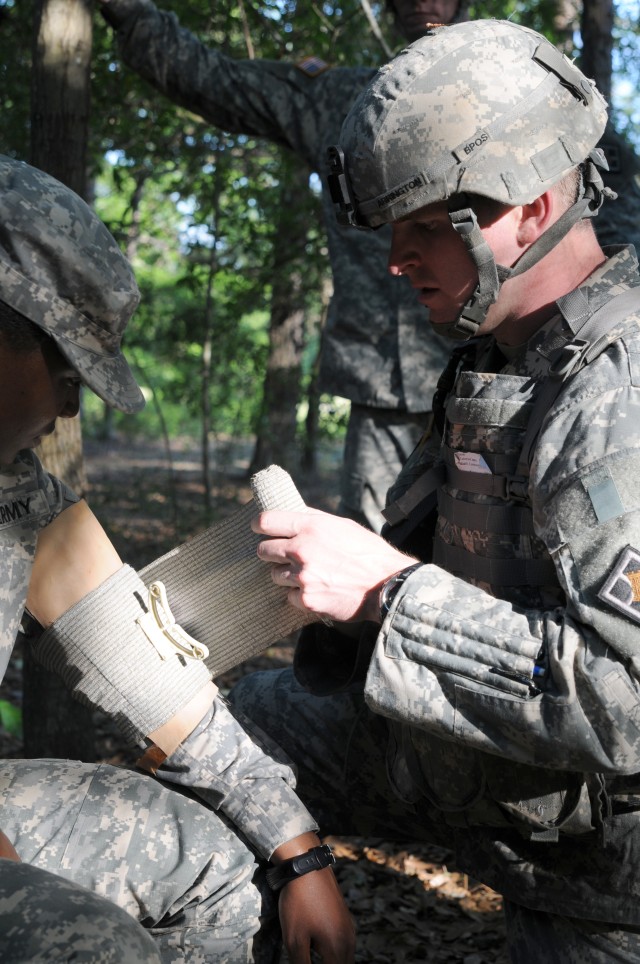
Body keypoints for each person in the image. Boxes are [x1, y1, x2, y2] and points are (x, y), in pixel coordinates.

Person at [229, 19, 640, 961]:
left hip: (600, 881)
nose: (396, 260)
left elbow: (628, 697)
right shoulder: (500, 358)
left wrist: (385, 592)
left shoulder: (617, 392)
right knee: (227, 739)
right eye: (391, 229)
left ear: (532, 209)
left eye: (424, 229)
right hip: (487, 779)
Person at [0, 155, 354, 963]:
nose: (66, 406)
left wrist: (298, 848)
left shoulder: (18, 500)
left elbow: (154, 683)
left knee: (228, 872)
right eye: (62, 370)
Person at [96, 0, 461, 533]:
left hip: (500, 380)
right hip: (384, 388)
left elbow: (607, 227)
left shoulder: (524, 94)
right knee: (376, 549)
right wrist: (129, 13)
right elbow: (217, 81)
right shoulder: (347, 99)